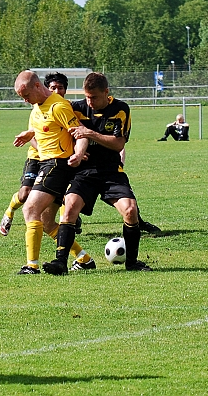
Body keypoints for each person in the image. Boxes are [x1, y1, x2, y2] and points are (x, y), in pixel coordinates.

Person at [46, 72, 152, 273]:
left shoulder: (120, 109)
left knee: (130, 211)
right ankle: (60, 262)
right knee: (68, 210)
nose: (90, 102)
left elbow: (118, 143)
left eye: (94, 97)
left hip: (111, 171)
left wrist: (90, 133)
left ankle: (132, 263)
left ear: (106, 92)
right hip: (84, 172)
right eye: (87, 97)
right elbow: (52, 128)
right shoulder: (76, 108)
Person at [0, 72, 96, 271]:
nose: (25, 100)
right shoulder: (36, 107)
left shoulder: (58, 106)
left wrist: (79, 153)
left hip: (57, 165)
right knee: (47, 222)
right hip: (46, 163)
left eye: (26, 95)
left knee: (30, 209)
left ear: (36, 86)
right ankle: (84, 259)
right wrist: (30, 134)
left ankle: (31, 266)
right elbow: (47, 129)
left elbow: (80, 132)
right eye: (21, 97)